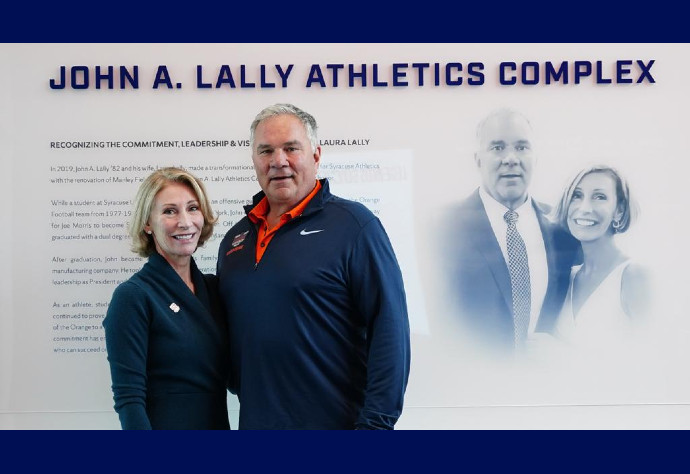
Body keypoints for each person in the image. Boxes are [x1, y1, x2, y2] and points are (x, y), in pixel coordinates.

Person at [216, 103, 410, 430]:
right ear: (254, 162)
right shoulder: (235, 241)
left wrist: (376, 426)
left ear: (316, 155)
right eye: (266, 151)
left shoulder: (354, 226)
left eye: (291, 148)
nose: (279, 161)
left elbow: (389, 330)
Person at [103, 167, 230, 430]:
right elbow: (129, 399)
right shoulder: (133, 296)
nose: (185, 222)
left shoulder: (214, 289)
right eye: (169, 211)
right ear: (148, 223)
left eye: (193, 208)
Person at [444, 108, 581, 352]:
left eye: (521, 147)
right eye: (497, 147)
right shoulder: (443, 229)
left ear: (535, 158)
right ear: (478, 160)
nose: (510, 158)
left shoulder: (564, 231)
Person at [551, 165, 650, 347]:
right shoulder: (568, 277)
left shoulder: (634, 276)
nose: (585, 208)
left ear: (618, 211)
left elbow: (656, 363)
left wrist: (562, 356)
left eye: (600, 197)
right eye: (577, 195)